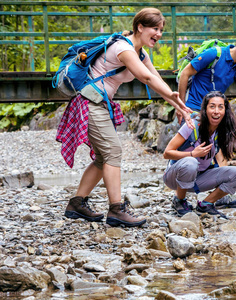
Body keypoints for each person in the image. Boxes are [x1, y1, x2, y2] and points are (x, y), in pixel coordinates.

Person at [56, 8, 193, 227]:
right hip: (89, 103)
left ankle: (77, 203)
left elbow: (156, 79)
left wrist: (180, 106)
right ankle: (116, 210)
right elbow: (146, 77)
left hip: (99, 103)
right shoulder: (122, 48)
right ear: (140, 27)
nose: (158, 34)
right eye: (154, 29)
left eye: (161, 30)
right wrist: (173, 99)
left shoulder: (140, 53)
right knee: (112, 152)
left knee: (103, 157)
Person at [163, 91, 236, 218]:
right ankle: (179, 201)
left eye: (221, 107)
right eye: (212, 106)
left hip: (199, 179)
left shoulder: (222, 128)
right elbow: (167, 153)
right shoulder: (192, 125)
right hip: (174, 178)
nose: (216, 111)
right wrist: (193, 154)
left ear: (225, 110)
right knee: (191, 162)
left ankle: (206, 204)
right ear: (205, 109)